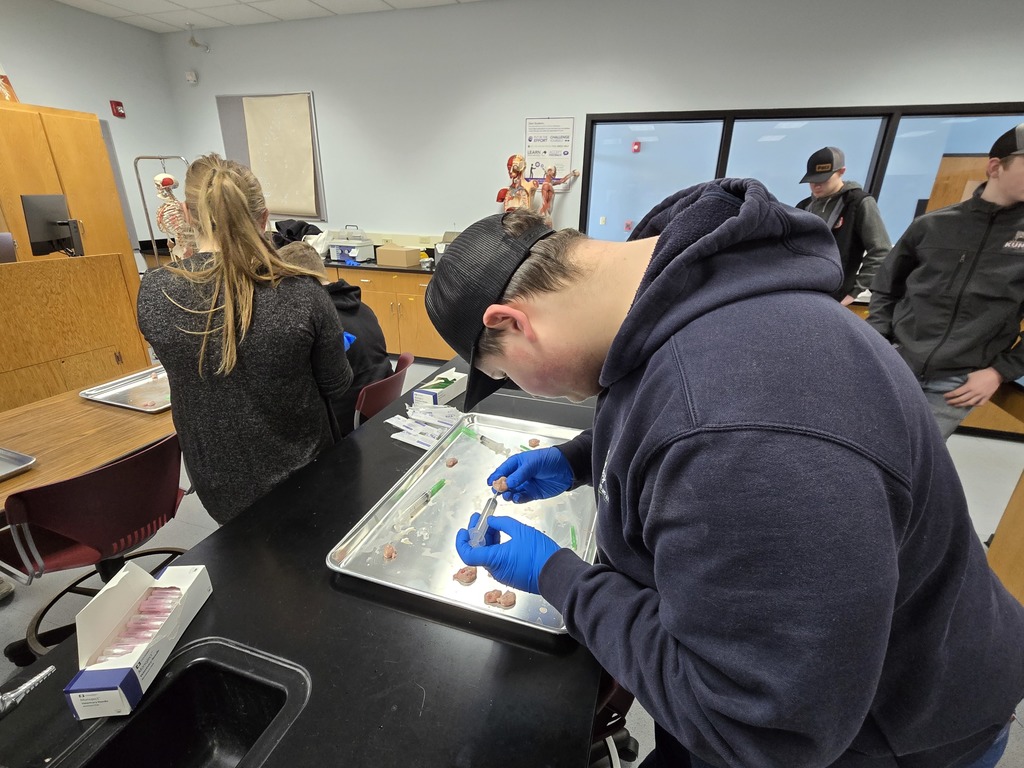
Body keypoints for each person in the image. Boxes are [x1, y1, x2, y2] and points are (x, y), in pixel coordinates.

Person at [423, 189, 1024, 767]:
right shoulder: (670, 293)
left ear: (512, 321)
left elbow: (756, 730)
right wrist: (582, 458)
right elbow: (655, 401)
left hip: (881, 738)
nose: (522, 391)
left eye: (504, 374)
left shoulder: (739, 431)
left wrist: (559, 578)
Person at [137, 153, 353, 524]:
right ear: (265, 218)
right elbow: (337, 385)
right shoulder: (301, 290)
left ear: (188, 216)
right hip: (302, 477)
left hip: (217, 485)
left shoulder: (157, 292)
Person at [868, 123, 1024, 440]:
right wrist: (880, 342)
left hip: (957, 383)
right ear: (995, 166)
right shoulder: (931, 227)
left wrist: (1000, 372)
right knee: (865, 445)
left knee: (913, 465)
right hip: (897, 363)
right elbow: (886, 288)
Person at [277, 241, 393, 435]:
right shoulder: (361, 307)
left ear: (293, 281)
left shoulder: (318, 321)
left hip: (346, 418)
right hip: (378, 406)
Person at [795, 146, 892, 305]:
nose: (816, 185)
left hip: (835, 298)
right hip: (802, 293)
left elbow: (880, 251)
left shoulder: (858, 203)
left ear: (841, 172)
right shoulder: (803, 207)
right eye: (812, 180)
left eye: (823, 179)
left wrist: (854, 293)